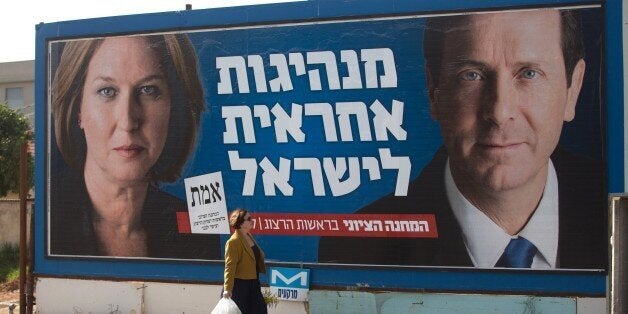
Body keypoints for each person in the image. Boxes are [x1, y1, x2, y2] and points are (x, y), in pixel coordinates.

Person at [319, 9, 606, 269]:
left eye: (529, 73)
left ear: (573, 89)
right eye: (472, 75)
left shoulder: (610, 212)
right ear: (434, 91)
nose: (499, 112)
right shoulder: (355, 245)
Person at [49, 34, 220, 259]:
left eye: (149, 90)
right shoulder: (50, 221)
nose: (128, 122)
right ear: (77, 109)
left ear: (174, 107)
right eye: (107, 91)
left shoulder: (199, 224)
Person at [222, 209, 267, 314]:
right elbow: (230, 266)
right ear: (241, 223)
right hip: (240, 286)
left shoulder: (248, 235)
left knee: (260, 310)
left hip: (253, 283)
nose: (252, 221)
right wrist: (227, 289)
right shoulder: (233, 242)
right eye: (249, 219)